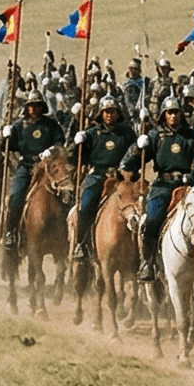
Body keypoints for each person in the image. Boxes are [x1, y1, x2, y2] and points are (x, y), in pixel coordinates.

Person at [121, 96, 194, 283]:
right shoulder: (156, 136)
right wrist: (137, 149)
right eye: (169, 112)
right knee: (153, 219)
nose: (173, 115)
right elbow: (130, 162)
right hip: (163, 185)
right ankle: (147, 262)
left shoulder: (192, 136)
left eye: (176, 112)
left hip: (188, 185)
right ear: (163, 115)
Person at [69, 95, 139, 262]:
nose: (109, 115)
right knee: (85, 204)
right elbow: (76, 158)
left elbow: (136, 154)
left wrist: (141, 144)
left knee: (139, 205)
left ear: (117, 113)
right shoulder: (92, 134)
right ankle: (81, 244)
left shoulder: (126, 133)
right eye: (106, 112)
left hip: (122, 177)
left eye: (112, 111)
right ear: (101, 114)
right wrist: (76, 144)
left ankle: (142, 252)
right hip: (98, 175)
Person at [0, 92, 65, 254]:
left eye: (37, 105)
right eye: (31, 106)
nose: (34, 109)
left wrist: (52, 150)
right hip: (26, 165)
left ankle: (65, 235)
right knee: (16, 195)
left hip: (48, 166)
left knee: (65, 194)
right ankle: (11, 232)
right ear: (26, 108)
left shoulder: (51, 124)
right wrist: (5, 137)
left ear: (42, 107)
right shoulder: (19, 126)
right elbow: (5, 147)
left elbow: (60, 142)